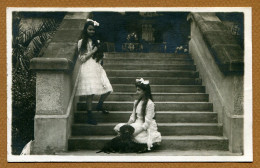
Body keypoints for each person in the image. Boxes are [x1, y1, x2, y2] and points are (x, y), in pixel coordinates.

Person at [76, 19, 113, 125]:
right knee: (90, 93)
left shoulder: (96, 41)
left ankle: (99, 105)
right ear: (86, 29)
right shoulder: (81, 42)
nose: (92, 32)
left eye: (93, 30)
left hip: (97, 67)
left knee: (108, 89)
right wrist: (93, 51)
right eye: (90, 29)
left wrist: (100, 58)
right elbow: (82, 59)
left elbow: (100, 55)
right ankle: (89, 116)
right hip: (87, 68)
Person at [114, 78, 161, 151]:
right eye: (137, 90)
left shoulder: (150, 104)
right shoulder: (136, 102)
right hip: (137, 123)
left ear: (145, 91)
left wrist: (134, 133)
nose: (136, 92)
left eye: (139, 90)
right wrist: (126, 126)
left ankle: (135, 144)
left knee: (136, 135)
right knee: (119, 127)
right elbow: (132, 117)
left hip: (145, 126)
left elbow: (147, 123)